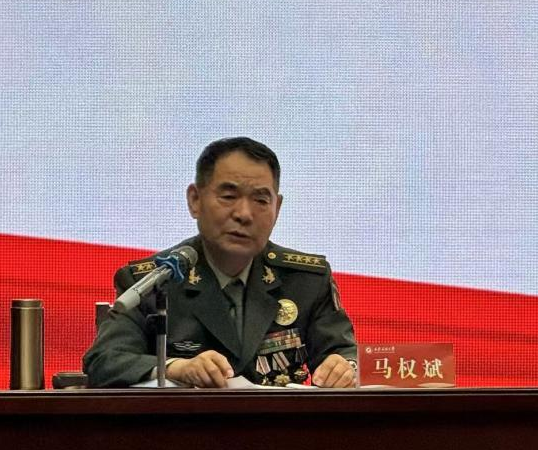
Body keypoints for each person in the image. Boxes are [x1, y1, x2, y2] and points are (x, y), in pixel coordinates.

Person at [83, 137, 358, 388]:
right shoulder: (156, 280)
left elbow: (345, 353)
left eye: (261, 200)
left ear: (277, 208)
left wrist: (345, 368)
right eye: (228, 197)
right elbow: (104, 360)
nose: (244, 214)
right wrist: (174, 368)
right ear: (195, 200)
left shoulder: (306, 280)